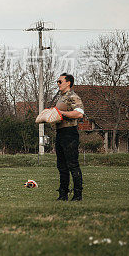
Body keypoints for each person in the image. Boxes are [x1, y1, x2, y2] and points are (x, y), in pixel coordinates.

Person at [53, 73, 85, 201]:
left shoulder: (73, 96)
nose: (58, 84)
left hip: (70, 133)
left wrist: (62, 113)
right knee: (61, 166)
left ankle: (77, 195)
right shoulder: (60, 98)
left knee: (72, 165)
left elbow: (79, 113)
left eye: (60, 81)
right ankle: (63, 194)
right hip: (60, 133)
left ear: (68, 83)